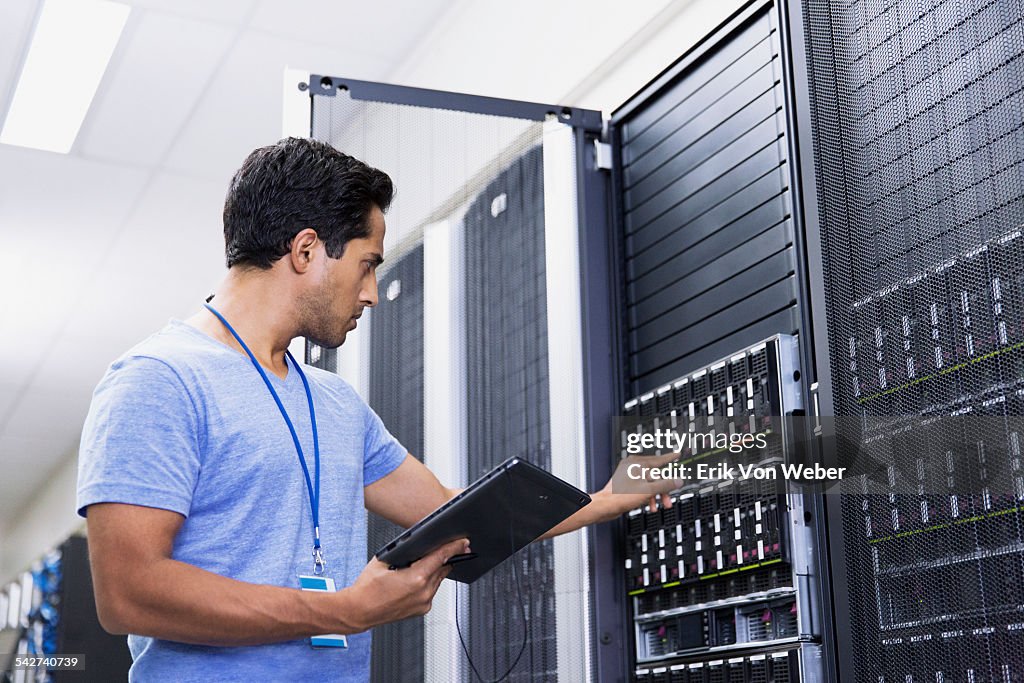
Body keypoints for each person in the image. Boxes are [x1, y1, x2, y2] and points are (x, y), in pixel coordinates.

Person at [76, 137, 669, 682]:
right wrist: (345, 610)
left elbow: (457, 515)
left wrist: (617, 494)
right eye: (367, 264)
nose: (372, 294)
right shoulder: (159, 380)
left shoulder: (334, 401)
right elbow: (129, 592)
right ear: (306, 250)